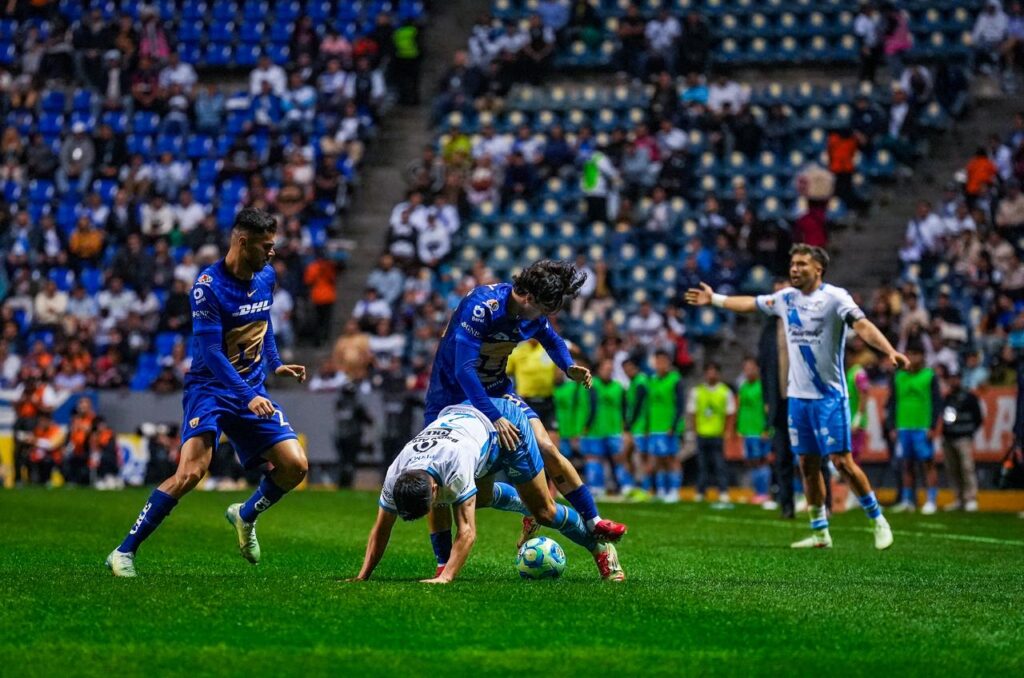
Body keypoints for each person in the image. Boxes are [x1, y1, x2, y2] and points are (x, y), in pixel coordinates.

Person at [106, 208, 309, 577]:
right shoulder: (207, 287)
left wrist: (275, 362)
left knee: (295, 466)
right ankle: (123, 551)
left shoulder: (266, 276)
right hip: (211, 390)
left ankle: (245, 515)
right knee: (191, 473)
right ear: (242, 242)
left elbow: (264, 320)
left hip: (251, 389)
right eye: (266, 246)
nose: (272, 253)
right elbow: (212, 354)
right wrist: (248, 395)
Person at [686, 245, 903, 550]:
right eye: (792, 263)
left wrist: (889, 350)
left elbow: (862, 325)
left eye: (802, 263)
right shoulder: (786, 299)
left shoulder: (835, 298)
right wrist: (717, 299)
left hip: (830, 397)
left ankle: (877, 519)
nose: (795, 268)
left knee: (842, 462)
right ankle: (819, 532)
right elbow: (751, 303)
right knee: (808, 465)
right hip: (798, 399)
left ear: (818, 269)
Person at [423, 260, 628, 549]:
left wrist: (568, 367)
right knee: (440, 481)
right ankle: (443, 561)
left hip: (496, 389)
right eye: (543, 308)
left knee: (546, 446)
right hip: (451, 395)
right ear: (529, 298)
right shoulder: (482, 307)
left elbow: (552, 339)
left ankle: (595, 521)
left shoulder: (529, 313)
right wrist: (493, 416)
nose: (543, 316)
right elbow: (463, 371)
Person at [349, 397, 625, 583]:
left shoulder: (455, 467)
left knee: (545, 511)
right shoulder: (395, 473)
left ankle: (599, 547)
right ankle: (524, 507)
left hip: (506, 426)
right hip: (470, 425)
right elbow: (381, 528)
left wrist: (445, 579)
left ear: (433, 487)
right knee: (480, 498)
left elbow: (467, 532)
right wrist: (363, 576)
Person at [887, 344, 942, 515]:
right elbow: (893, 402)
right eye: (910, 353)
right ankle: (907, 500)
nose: (913, 358)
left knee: (928, 463)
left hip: (922, 427)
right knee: (906, 465)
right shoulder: (898, 376)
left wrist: (933, 426)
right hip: (903, 426)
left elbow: (937, 402)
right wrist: (892, 426)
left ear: (923, 356)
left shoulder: (929, 376)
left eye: (916, 354)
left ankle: (931, 500)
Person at [687, 361, 736, 506]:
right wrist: (694, 431)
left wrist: (728, 431)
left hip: (717, 434)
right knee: (702, 465)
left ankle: (723, 491)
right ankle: (701, 491)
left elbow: (730, 413)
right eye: (709, 371)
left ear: (719, 374)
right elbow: (692, 413)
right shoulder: (697, 391)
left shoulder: (725, 392)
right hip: (702, 433)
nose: (711, 374)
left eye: (714, 371)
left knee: (719, 464)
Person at [582, 359, 631, 497]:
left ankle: (626, 486)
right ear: (599, 370)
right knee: (594, 460)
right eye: (605, 368)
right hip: (594, 430)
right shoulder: (591, 385)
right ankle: (596, 487)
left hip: (614, 430)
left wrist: (625, 429)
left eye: (610, 369)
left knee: (619, 459)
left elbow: (624, 408)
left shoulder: (619, 387)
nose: (608, 371)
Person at [938, 365, 983, 512]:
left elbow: (978, 418)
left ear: (960, 379)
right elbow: (944, 418)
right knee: (953, 469)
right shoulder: (947, 397)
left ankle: (971, 498)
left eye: (956, 378)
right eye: (951, 379)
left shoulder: (969, 397)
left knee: (967, 468)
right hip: (949, 438)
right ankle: (958, 498)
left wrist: (969, 431)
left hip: (963, 437)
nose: (953, 381)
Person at [646, 350, 686, 503]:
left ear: (668, 363)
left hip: (668, 427)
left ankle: (675, 490)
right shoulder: (652, 380)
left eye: (662, 361)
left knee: (671, 459)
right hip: (655, 426)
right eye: (657, 362)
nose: (660, 365)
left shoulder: (675, 380)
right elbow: (649, 405)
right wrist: (648, 426)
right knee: (658, 460)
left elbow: (680, 405)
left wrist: (674, 425)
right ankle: (662, 490)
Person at [736, 357, 772, 506]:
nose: (748, 370)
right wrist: (739, 428)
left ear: (757, 368)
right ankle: (757, 492)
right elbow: (742, 408)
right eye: (746, 368)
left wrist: (766, 428)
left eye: (751, 367)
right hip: (747, 431)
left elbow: (768, 409)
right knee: (751, 462)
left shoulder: (763, 386)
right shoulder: (743, 386)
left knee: (760, 461)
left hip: (759, 431)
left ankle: (764, 493)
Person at [621, 355, 651, 499]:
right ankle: (635, 485)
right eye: (625, 369)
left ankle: (644, 488)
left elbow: (639, 406)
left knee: (640, 458)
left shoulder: (640, 382)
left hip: (640, 427)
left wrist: (629, 424)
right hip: (635, 427)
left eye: (630, 368)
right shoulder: (633, 383)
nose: (628, 371)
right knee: (630, 455)